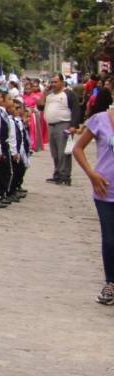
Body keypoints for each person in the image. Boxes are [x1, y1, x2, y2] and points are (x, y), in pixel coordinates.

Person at [68, 89, 114, 305]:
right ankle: (110, 283)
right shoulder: (100, 120)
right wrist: (91, 174)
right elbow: (78, 148)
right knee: (110, 239)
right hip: (106, 191)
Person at [44, 72, 79, 186]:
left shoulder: (68, 94)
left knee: (63, 151)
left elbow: (76, 109)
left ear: (62, 82)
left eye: (55, 82)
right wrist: (44, 92)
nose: (53, 84)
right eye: (52, 82)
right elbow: (40, 105)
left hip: (64, 124)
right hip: (51, 125)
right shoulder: (49, 95)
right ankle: (57, 174)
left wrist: (73, 125)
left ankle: (65, 175)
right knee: (55, 152)